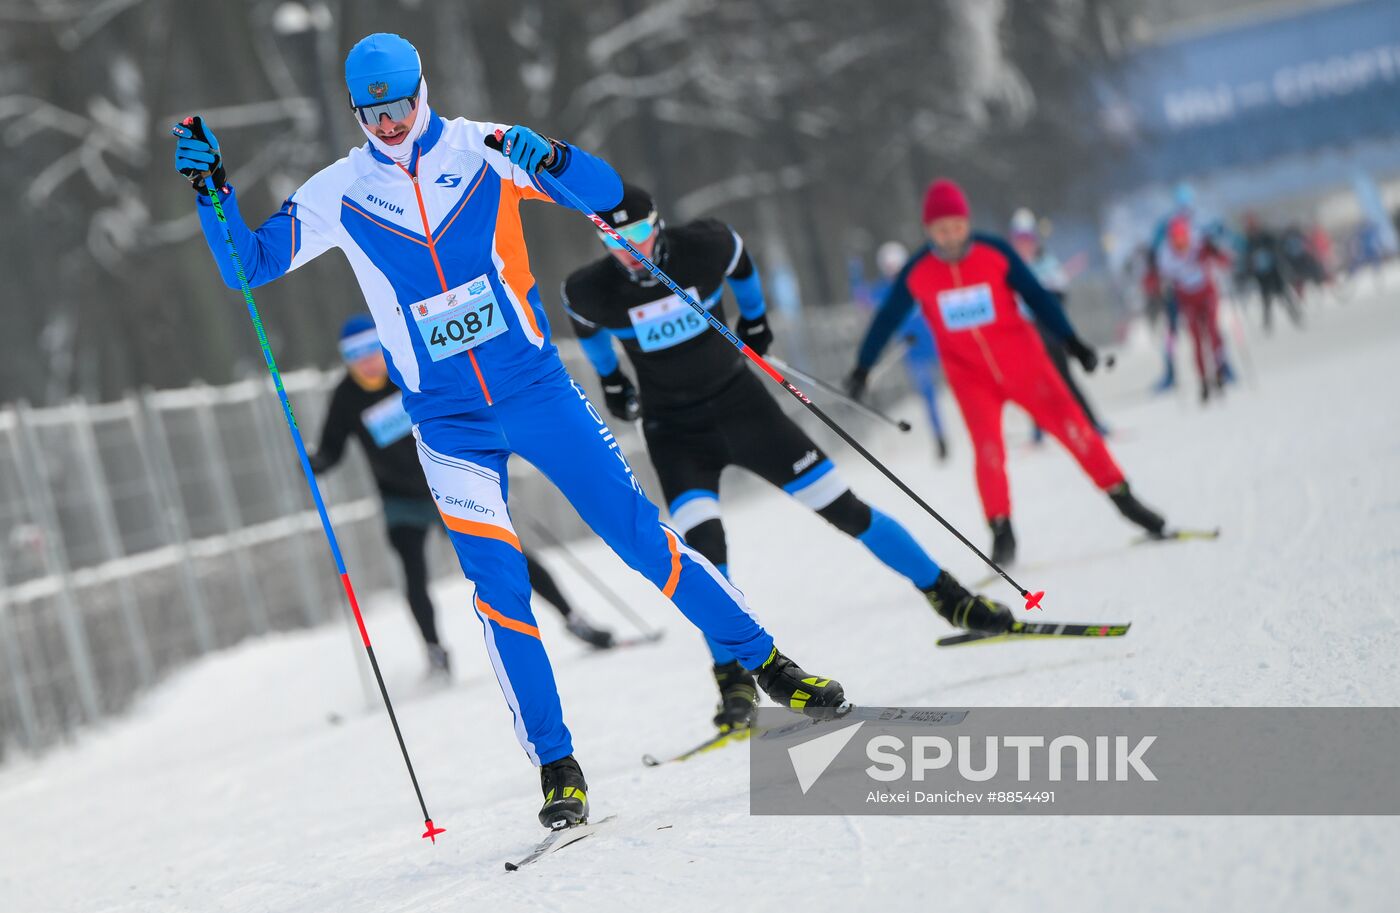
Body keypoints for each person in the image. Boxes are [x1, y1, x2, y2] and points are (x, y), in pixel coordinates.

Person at [172, 33, 845, 830]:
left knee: (637, 535)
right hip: (447, 419)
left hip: (535, 390)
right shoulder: (337, 191)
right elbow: (249, 265)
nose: (388, 123)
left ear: (422, 90)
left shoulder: (486, 149)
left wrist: (553, 157)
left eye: (398, 105)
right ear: (356, 113)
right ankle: (558, 766)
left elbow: (607, 196)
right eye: (371, 112)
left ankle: (767, 661)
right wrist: (213, 188)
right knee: (499, 589)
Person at [562, 185, 1012, 733]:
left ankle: (951, 598)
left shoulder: (704, 245)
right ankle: (732, 680)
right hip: (675, 433)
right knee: (705, 555)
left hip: (744, 409)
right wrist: (611, 381)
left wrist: (754, 319)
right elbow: (587, 331)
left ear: (656, 226)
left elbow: (741, 261)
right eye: (610, 238)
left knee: (846, 510)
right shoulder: (591, 289)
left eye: (634, 234)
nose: (625, 248)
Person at [847, 178, 1170, 566]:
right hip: (970, 376)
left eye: (956, 227)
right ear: (928, 230)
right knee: (987, 451)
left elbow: (1036, 296)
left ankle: (1125, 499)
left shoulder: (994, 252)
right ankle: (1002, 533)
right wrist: (863, 368)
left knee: (1074, 427)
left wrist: (1073, 343)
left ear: (967, 223)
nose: (950, 237)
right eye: (940, 230)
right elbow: (886, 320)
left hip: (1025, 364)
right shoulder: (919, 271)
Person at [309, 314, 618, 681]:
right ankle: (435, 651)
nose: (366, 361)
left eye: (370, 350)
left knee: (507, 553)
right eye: (355, 355)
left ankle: (572, 617)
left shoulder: (404, 372)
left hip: (449, 483)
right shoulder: (346, 396)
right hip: (400, 499)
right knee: (414, 576)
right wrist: (314, 463)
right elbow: (332, 449)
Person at [1008, 209, 1107, 439]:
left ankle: (1091, 423)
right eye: (1019, 241)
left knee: (1064, 379)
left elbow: (1061, 295)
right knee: (1032, 383)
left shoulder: (1047, 262)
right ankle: (1038, 431)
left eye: (1027, 240)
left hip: (1050, 332)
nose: (1024, 246)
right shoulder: (1011, 267)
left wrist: (1047, 299)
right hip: (1026, 333)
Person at [875, 241, 950, 461]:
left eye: (896, 267)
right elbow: (865, 299)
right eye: (889, 268)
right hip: (913, 351)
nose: (893, 272)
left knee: (961, 385)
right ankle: (940, 438)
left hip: (936, 343)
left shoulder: (918, 280)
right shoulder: (886, 291)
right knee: (928, 395)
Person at [1156, 217, 1231, 403]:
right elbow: (1161, 279)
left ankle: (1220, 371)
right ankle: (1204, 379)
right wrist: (1163, 288)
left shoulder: (1199, 244)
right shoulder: (1166, 254)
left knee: (1213, 333)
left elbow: (1223, 260)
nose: (1180, 242)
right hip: (1187, 299)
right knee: (1196, 339)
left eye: (1183, 237)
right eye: (1176, 239)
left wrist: (1215, 251)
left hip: (1207, 294)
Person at [1240, 214, 1301, 334]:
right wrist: (1248, 272)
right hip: (1263, 275)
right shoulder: (1249, 241)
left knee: (1284, 294)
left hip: (1274, 271)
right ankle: (1267, 324)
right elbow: (1248, 259)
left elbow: (1277, 247)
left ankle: (1295, 315)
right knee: (1266, 300)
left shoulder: (1266, 235)